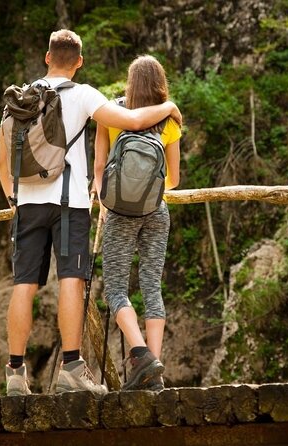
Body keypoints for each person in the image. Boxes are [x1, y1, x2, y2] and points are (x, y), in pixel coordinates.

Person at [0, 30, 182, 396]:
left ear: (47, 57)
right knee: (72, 279)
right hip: (70, 204)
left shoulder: (17, 101)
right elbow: (131, 121)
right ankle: (71, 368)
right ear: (79, 62)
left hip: (28, 204)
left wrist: (14, 198)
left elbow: (3, 163)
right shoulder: (83, 95)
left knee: (23, 285)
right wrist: (168, 108)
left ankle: (15, 374)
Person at [94, 55, 181, 391]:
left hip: (119, 213)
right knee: (151, 285)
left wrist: (107, 200)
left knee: (115, 288)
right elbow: (173, 179)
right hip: (156, 211)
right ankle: (154, 374)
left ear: (129, 84)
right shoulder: (170, 122)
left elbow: (100, 168)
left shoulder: (111, 115)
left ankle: (141, 354)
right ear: (160, 84)